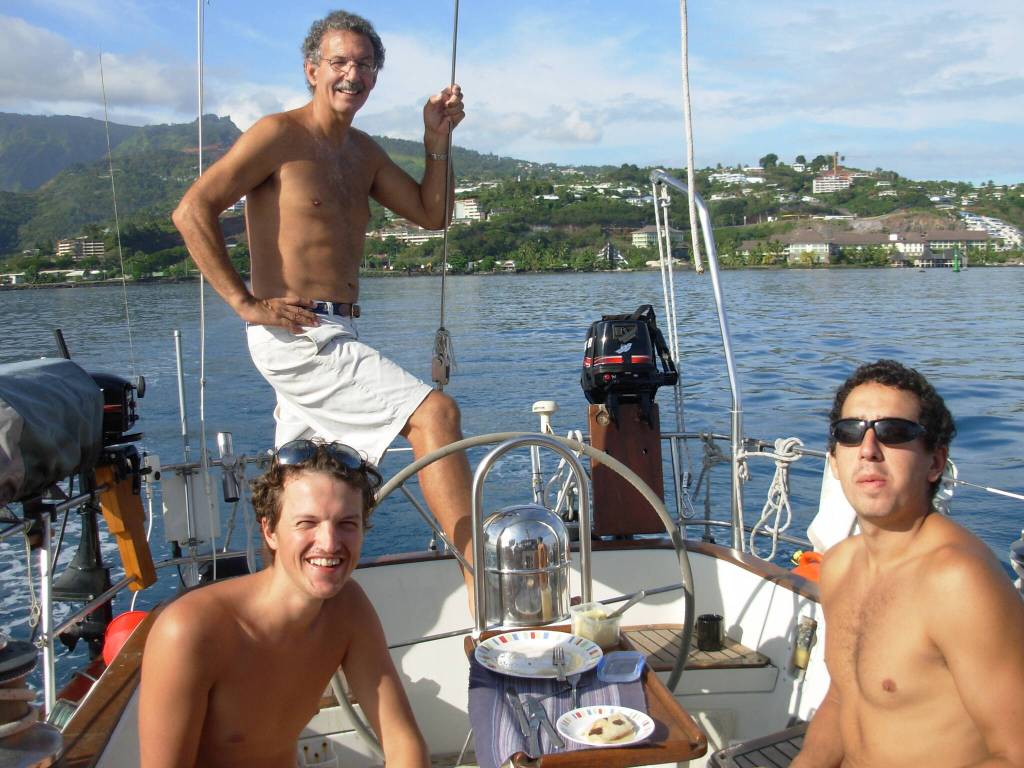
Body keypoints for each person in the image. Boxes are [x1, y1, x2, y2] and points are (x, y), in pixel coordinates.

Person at [172, 10, 473, 587]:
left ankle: (274, 616)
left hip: (338, 331)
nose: (351, 74)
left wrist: (437, 141)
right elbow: (192, 210)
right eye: (338, 62)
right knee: (436, 414)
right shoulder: (278, 135)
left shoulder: (364, 153)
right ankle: (483, 580)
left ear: (375, 77)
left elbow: (432, 215)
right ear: (313, 70)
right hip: (296, 332)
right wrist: (244, 302)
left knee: (298, 487)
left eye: (363, 64)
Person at [139, 440, 430, 768]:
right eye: (307, 523)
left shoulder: (348, 608)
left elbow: (402, 740)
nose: (330, 543)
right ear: (270, 531)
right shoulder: (190, 632)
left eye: (347, 524)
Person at [793, 360, 1024, 767]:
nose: (868, 449)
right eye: (850, 433)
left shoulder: (957, 580)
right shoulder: (840, 565)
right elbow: (844, 696)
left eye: (893, 433)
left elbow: (1015, 753)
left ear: (935, 462)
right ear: (834, 461)